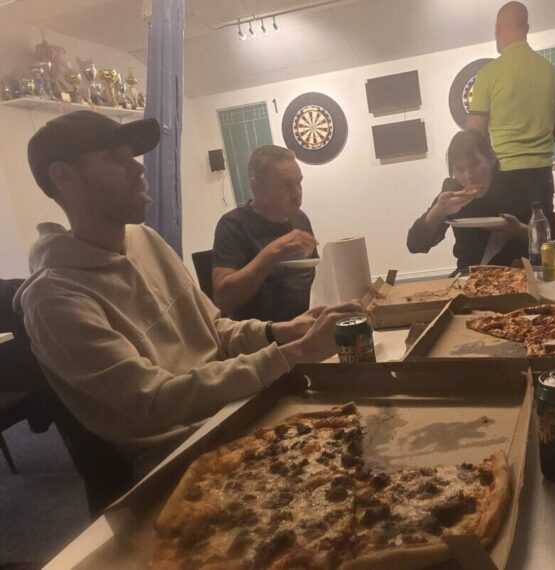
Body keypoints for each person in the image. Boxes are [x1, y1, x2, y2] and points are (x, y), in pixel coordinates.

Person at [14, 111, 359, 465]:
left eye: (133, 156)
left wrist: (282, 332)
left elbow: (215, 331)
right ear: (63, 177)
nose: (138, 168)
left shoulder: (146, 239)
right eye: (115, 158)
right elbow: (154, 403)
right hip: (182, 455)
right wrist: (296, 353)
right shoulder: (54, 299)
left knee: (365, 411)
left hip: (236, 413)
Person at [466, 1, 555, 246]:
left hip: (505, 174)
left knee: (510, 243)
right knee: (542, 239)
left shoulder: (489, 74)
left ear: (498, 29)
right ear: (527, 28)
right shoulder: (550, 71)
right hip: (542, 174)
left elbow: (474, 134)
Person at [407, 130, 555, 272]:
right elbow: (415, 245)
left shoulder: (518, 185)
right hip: (469, 276)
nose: (468, 176)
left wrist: (519, 230)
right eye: (460, 169)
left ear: (490, 158)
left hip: (517, 274)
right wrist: (438, 211)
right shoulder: (452, 191)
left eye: (474, 165)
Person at [212, 145, 318, 322]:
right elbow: (224, 299)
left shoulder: (300, 219)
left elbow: (313, 282)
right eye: (285, 185)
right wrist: (273, 253)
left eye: (298, 183)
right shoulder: (233, 225)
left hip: (307, 326)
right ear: (257, 187)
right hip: (263, 334)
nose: (296, 193)